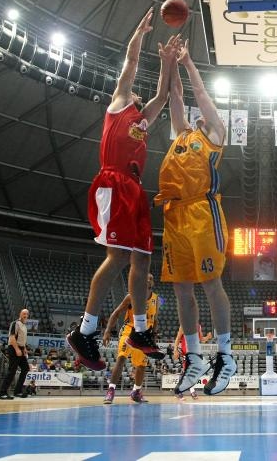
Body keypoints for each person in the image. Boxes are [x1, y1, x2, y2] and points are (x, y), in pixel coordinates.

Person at [66, 9, 173, 370]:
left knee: (142, 259)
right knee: (118, 257)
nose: (140, 98)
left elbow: (164, 95)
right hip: (113, 182)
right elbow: (130, 63)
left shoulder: (142, 121)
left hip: (135, 190)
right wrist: (140, 34)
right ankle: (84, 330)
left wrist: (168, 62)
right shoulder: (119, 105)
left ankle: (140, 330)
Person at [155, 39, 236, 396]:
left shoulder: (215, 135)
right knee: (181, 287)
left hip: (203, 213)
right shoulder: (183, 134)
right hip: (174, 215)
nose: (201, 112)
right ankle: (195, 357)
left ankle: (226, 356)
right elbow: (175, 94)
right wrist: (169, 62)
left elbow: (199, 93)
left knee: (211, 283)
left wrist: (188, 62)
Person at [102, 273, 161, 404]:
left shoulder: (156, 299)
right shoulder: (131, 296)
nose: (149, 280)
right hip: (129, 330)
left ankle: (136, 392)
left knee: (141, 365)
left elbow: (155, 320)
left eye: (151, 279)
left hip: (144, 335)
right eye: (146, 278)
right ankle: (111, 390)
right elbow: (117, 313)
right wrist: (107, 330)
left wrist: (153, 336)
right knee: (121, 357)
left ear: (153, 283)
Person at [173, 324, 213, 400]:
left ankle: (181, 391)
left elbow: (201, 339)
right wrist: (175, 350)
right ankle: (187, 391)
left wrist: (207, 337)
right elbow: (178, 338)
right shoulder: (183, 325)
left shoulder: (198, 326)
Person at [0, 309, 30, 400]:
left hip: (21, 348)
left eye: (27, 314)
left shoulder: (24, 326)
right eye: (24, 313)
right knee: (12, 370)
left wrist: (24, 348)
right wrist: (17, 349)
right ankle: (2, 393)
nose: (25, 315)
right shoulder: (15, 323)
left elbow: (22, 339)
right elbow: (12, 337)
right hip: (13, 348)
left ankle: (17, 391)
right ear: (20, 314)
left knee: (25, 368)